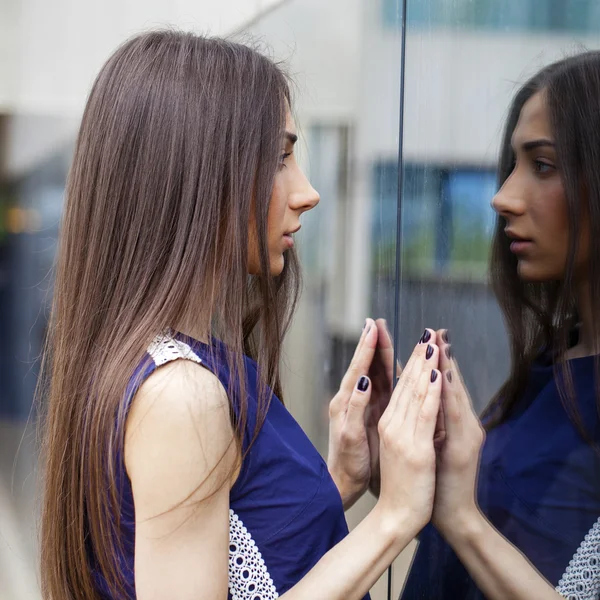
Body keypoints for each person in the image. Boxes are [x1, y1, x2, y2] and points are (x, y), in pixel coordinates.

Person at [38, 30, 445, 600]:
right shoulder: (182, 393)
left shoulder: (184, 368)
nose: (306, 192)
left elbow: (237, 556)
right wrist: (395, 517)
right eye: (280, 158)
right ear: (193, 173)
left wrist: (341, 481)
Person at [401, 51, 600, 599]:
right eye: (512, 166)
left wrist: (460, 516)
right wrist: (403, 470)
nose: (502, 197)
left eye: (542, 165)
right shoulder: (553, 361)